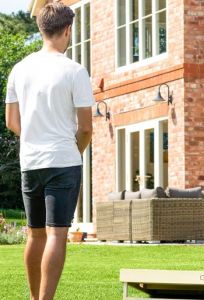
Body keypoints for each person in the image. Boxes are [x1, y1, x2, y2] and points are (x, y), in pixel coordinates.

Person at [5, 3, 94, 299]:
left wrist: (34, 136)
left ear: (41, 28)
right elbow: (85, 128)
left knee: (35, 232)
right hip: (63, 161)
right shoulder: (75, 71)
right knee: (57, 233)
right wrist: (74, 151)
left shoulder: (19, 69)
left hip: (30, 162)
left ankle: (34, 298)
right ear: (68, 30)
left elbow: (11, 122)